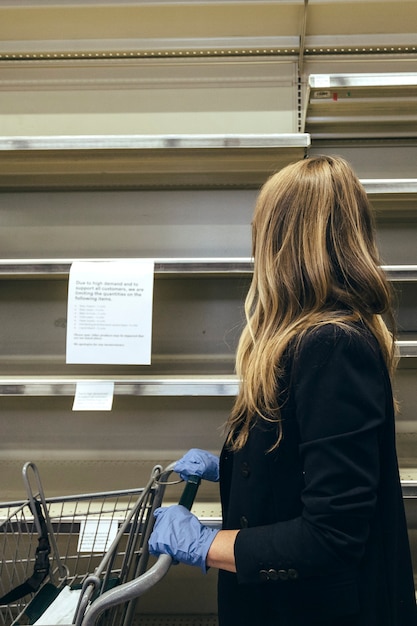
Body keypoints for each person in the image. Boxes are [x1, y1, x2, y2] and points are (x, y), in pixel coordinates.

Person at [148, 155, 417, 625]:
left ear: (287, 244)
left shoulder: (331, 346)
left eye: (262, 234)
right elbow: (307, 458)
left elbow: (331, 535)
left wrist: (207, 544)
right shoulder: (309, 341)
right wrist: (234, 466)